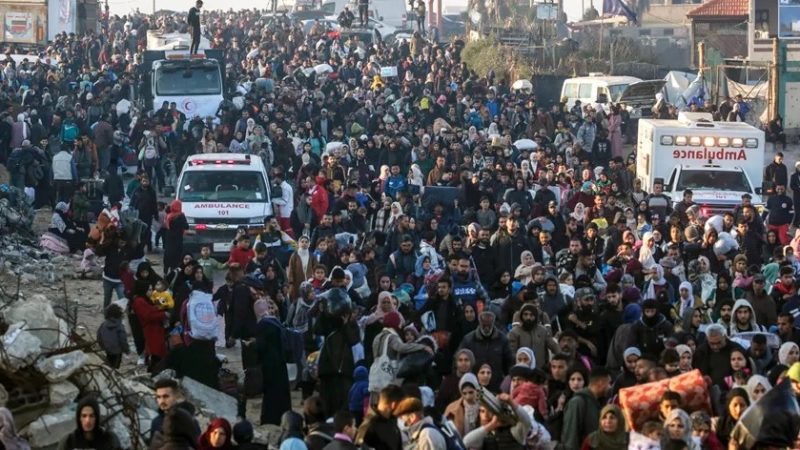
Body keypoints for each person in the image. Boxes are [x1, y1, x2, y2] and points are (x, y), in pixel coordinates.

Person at [253, 298, 292, 425]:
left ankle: (271, 419)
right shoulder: (276, 323)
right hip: (281, 363)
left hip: (269, 365)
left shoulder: (262, 325)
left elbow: (261, 347)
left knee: (271, 394)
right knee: (282, 393)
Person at [561, 368, 613, 450]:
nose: (610, 387)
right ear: (600, 383)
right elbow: (571, 437)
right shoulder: (577, 402)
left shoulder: (597, 403)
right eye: (609, 383)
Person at [96, 303, 129, 369]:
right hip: (117, 351)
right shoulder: (119, 326)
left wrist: (102, 346)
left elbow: (99, 336)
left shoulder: (103, 325)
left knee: (109, 364)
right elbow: (123, 339)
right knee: (115, 367)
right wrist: (126, 349)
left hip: (107, 349)